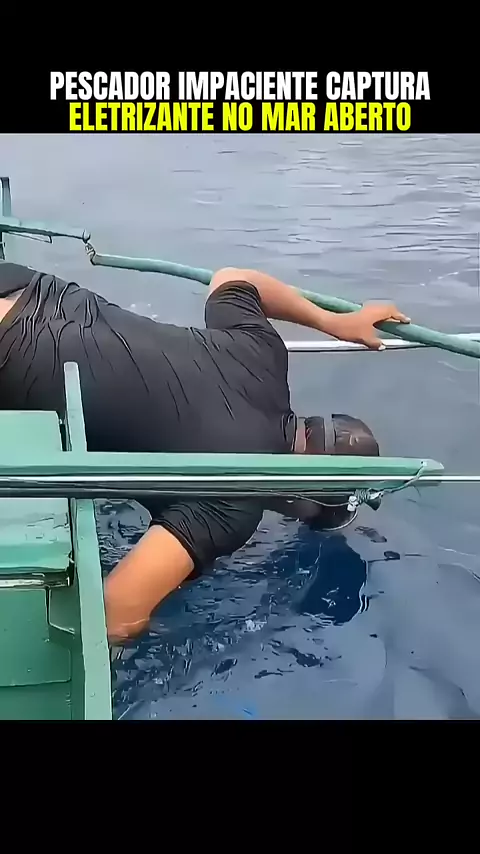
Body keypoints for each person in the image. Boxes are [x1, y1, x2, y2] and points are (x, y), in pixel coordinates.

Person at [0, 260, 410, 643]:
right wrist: (130, 637)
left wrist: (334, 322)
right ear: (302, 500)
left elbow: (232, 277)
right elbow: (115, 608)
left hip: (32, 287)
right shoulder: (234, 502)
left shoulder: (263, 355)